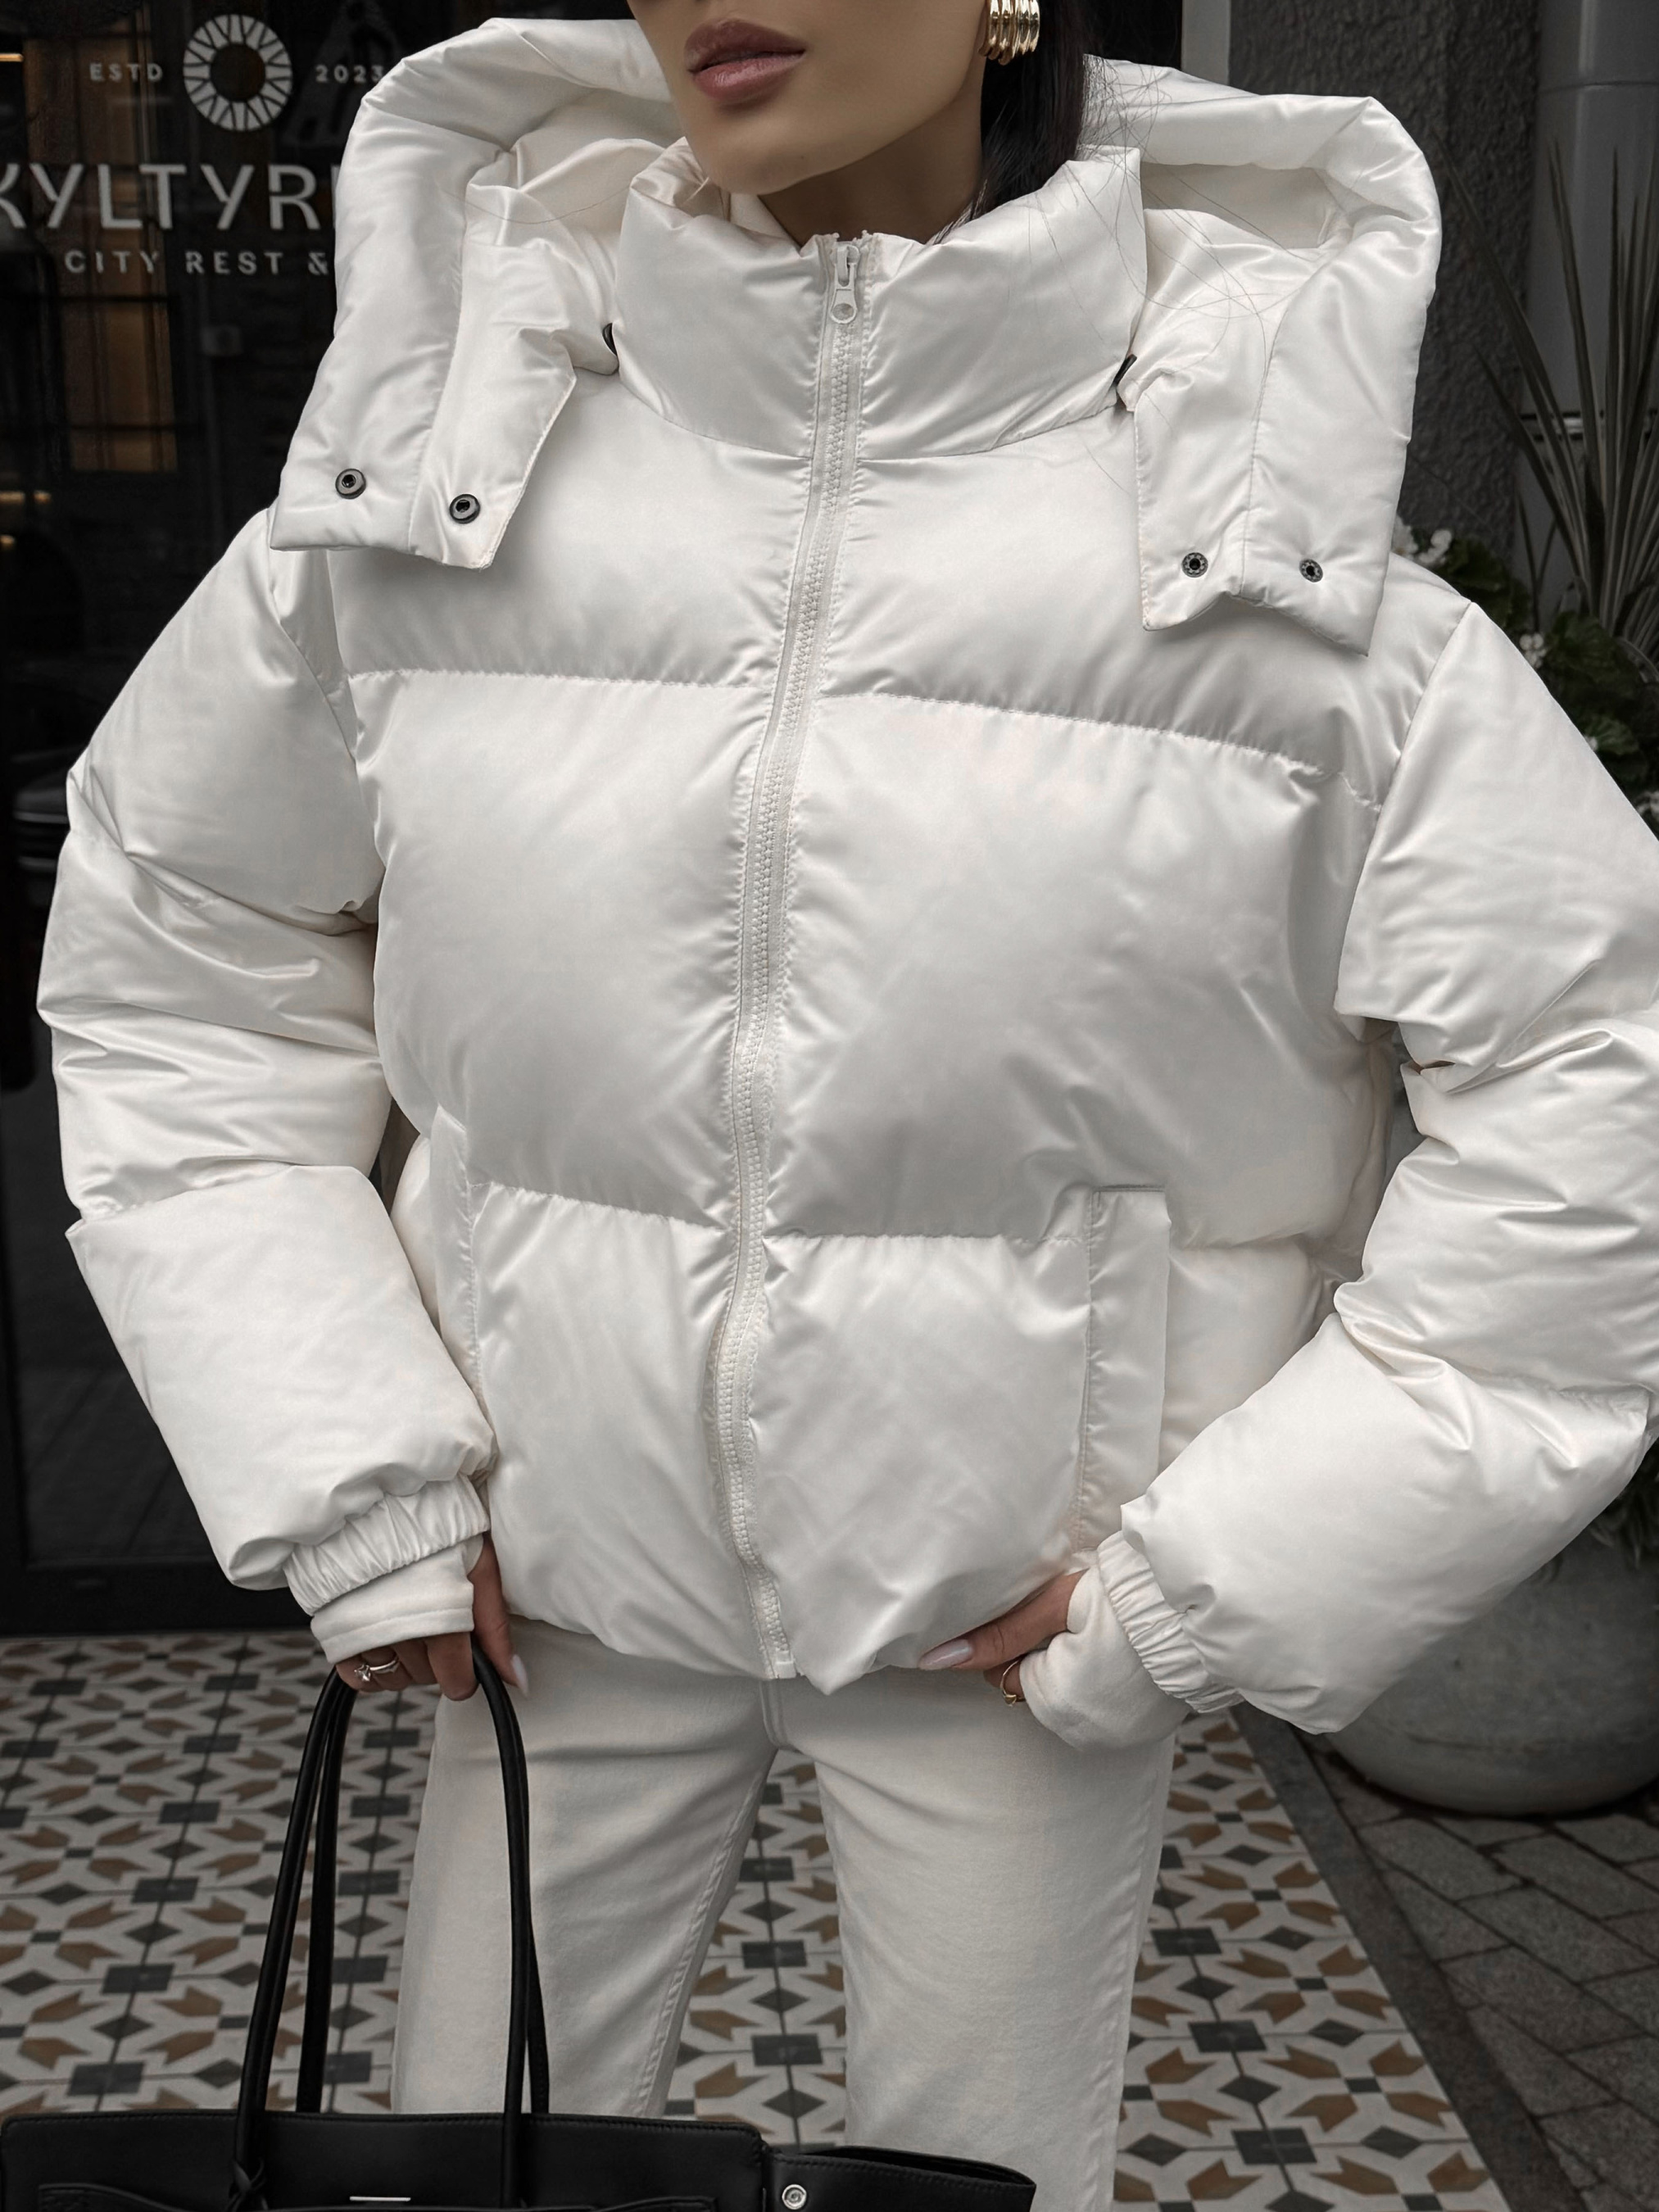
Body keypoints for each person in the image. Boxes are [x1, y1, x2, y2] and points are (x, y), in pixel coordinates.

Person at [39, 1, 1659, 2201]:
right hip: (546, 1578)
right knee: (477, 2167)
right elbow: (177, 979)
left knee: (973, 2189)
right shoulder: (421, 522)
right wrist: (353, 1474)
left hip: (1017, 1624)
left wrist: (1216, 1574)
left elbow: (1600, 1096)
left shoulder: (1278, 577)